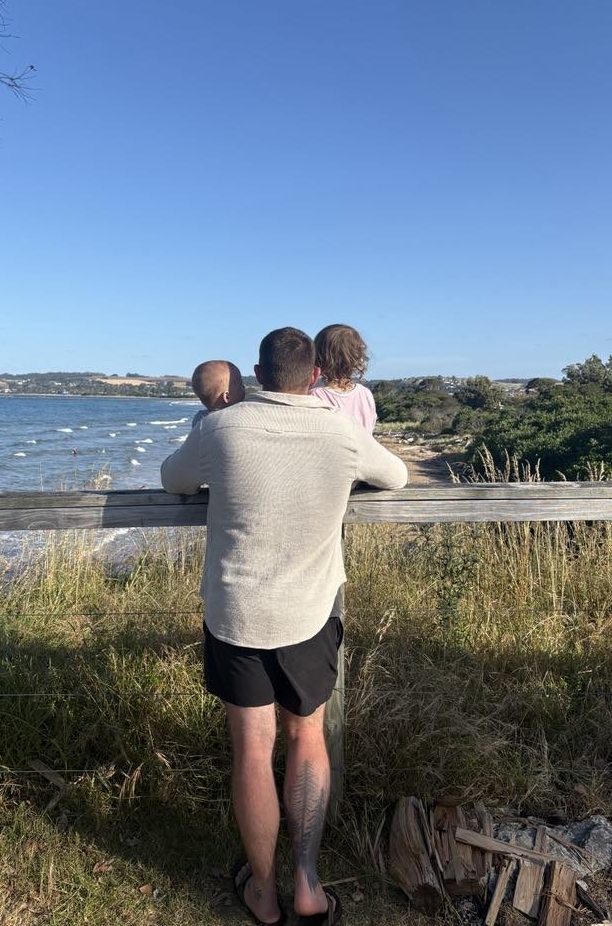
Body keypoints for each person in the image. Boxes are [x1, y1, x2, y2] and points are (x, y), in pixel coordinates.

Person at [161, 327, 407, 926]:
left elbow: (174, 482)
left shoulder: (221, 427)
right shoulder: (341, 432)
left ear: (258, 372)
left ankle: (263, 894)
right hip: (308, 615)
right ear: (315, 374)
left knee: (251, 749)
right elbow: (396, 477)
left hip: (237, 614)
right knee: (307, 739)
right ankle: (307, 886)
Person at [311, 324, 377, 432]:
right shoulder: (365, 394)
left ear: (317, 354)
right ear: (358, 356)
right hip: (363, 448)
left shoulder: (314, 395)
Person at [190, 360, 246, 427]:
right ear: (227, 397)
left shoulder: (199, 419)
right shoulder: (234, 419)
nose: (244, 387)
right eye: (240, 386)